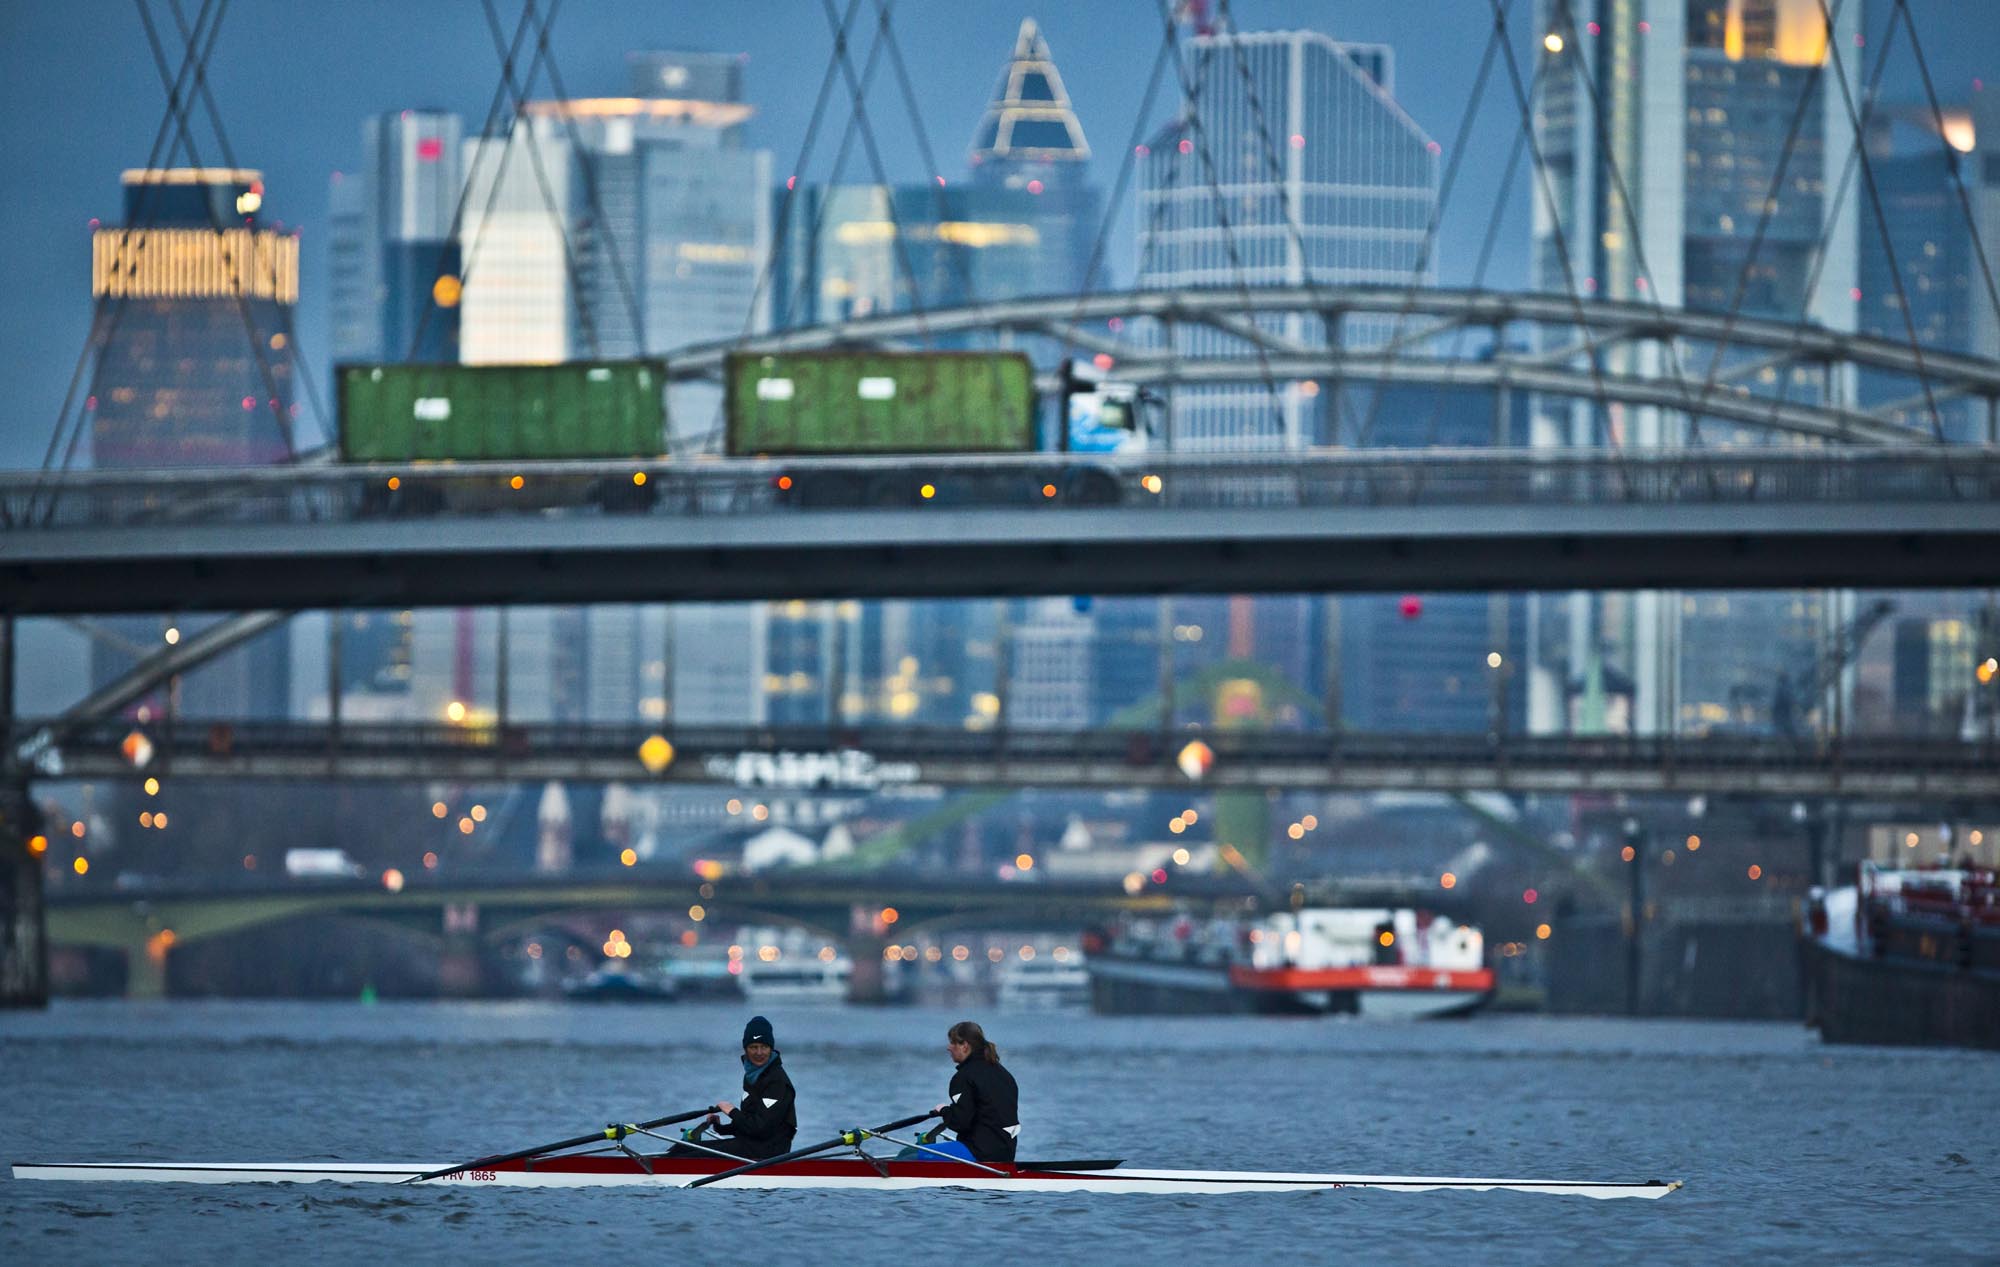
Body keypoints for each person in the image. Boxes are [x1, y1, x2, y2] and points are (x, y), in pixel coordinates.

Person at [674, 1015, 797, 1161]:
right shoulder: (753, 1075)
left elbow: (759, 1128)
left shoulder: (777, 1081)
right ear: (745, 1049)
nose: (759, 1053)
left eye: (764, 1047)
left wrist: (731, 1111)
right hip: (752, 1144)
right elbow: (749, 1123)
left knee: (690, 1157)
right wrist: (721, 1128)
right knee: (681, 1148)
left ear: (771, 1048)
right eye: (753, 1047)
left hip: (770, 1152)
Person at [928, 1020, 1019, 1165]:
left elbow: (960, 1123)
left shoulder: (963, 1077)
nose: (948, 1048)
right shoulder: (1004, 1075)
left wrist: (944, 1111)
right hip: (1006, 1154)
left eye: (952, 1043)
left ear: (964, 1046)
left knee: (908, 1155)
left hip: (977, 1153)